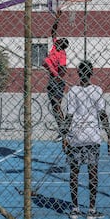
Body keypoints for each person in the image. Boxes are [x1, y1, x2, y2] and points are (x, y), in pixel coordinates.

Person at [62, 60, 110, 219]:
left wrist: (64, 136)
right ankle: (91, 210)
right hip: (92, 136)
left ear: (78, 72)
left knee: (74, 173)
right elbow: (102, 114)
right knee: (92, 173)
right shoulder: (97, 91)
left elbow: (69, 116)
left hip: (76, 136)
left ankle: (75, 208)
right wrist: (109, 136)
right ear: (91, 72)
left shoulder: (72, 91)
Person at [42, 11, 69, 141]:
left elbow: (63, 70)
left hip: (58, 81)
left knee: (57, 106)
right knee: (54, 107)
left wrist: (57, 75)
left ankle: (64, 131)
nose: (57, 41)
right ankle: (62, 130)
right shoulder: (54, 48)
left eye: (60, 41)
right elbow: (53, 31)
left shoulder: (62, 54)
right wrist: (57, 19)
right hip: (52, 80)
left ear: (62, 45)